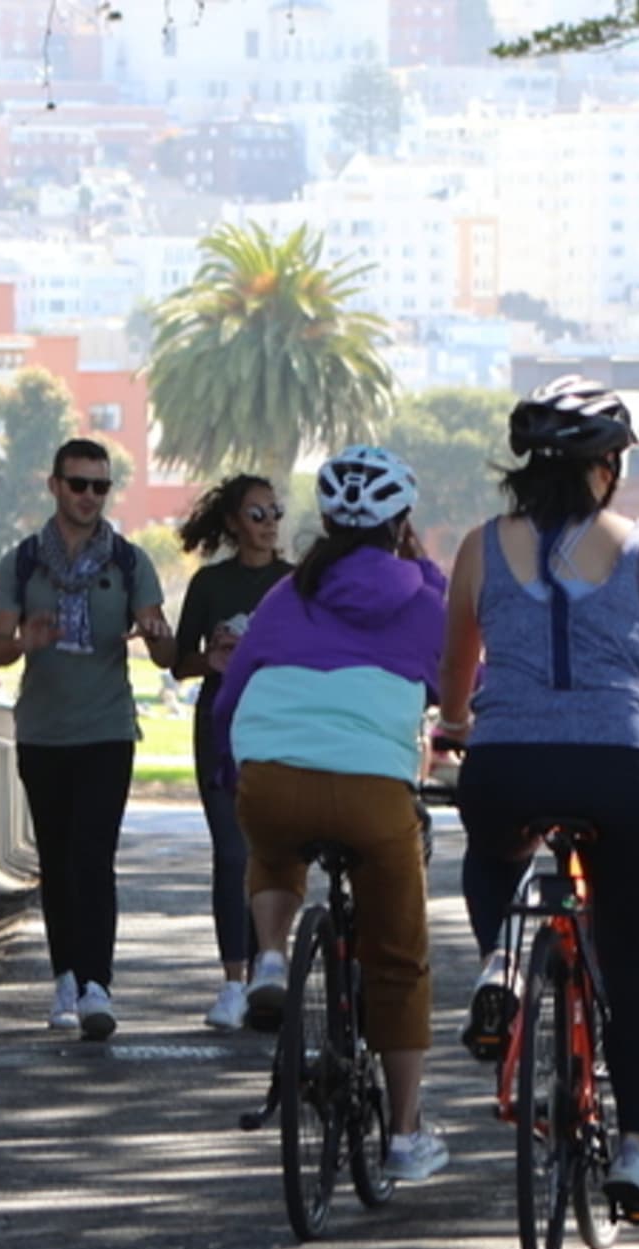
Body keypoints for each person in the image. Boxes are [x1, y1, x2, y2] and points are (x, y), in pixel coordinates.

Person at [439, 377, 639, 1226]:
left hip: (506, 762)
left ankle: (500, 965)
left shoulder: (479, 545)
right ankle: (638, 1154)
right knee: (631, 960)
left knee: (494, 850)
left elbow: (455, 675)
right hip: (617, 769)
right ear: (608, 466)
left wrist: (461, 724)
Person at [215, 446, 455, 1181]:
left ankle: (273, 956)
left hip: (271, 779)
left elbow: (233, 691)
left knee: (275, 839)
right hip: (373, 796)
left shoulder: (287, 595)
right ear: (402, 524)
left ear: (323, 521)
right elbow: (460, 683)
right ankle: (407, 1137)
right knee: (398, 961)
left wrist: (234, 776)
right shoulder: (421, 597)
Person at [0, 438, 176, 1040]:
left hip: (107, 730)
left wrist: (155, 632)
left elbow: (168, 652)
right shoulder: (21, 564)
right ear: (55, 485)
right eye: (78, 484)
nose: (90, 496)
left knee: (93, 858)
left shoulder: (128, 561)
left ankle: (97, 985)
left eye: (100, 486)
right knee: (59, 864)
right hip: (42, 733)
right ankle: (64, 975)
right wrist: (27, 641)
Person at [170, 473, 296, 1032]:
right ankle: (231, 981)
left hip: (281, 724)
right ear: (232, 523)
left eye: (274, 513)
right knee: (230, 853)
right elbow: (179, 661)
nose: (269, 525)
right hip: (221, 724)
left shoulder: (297, 583)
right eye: (256, 514)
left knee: (271, 849)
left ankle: (269, 973)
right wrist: (214, 659)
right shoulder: (211, 585)